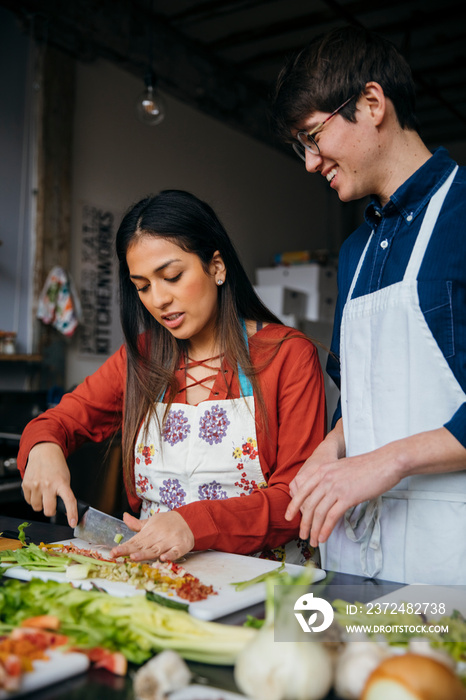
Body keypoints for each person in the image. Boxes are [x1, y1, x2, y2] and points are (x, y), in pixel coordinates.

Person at [18, 190, 326, 565]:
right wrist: (42, 446)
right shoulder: (142, 358)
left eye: (172, 276)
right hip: (157, 574)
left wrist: (193, 523)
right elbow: (59, 421)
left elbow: (296, 498)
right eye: (143, 286)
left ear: (216, 266)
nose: (158, 299)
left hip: (264, 581)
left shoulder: (287, 355)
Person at [271, 26, 466, 584]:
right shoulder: (355, 251)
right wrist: (331, 450)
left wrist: (388, 461)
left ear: (372, 103)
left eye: (313, 137)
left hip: (447, 557)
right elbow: (362, 398)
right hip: (356, 555)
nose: (310, 163)